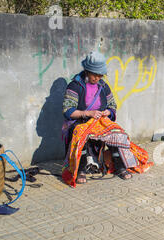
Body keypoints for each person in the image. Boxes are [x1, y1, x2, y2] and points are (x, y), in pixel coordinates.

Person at [61, 51, 152, 186]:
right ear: (87, 71)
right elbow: (68, 111)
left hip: (100, 122)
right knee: (82, 134)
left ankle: (119, 166)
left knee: (117, 133)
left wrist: (107, 113)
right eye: (94, 75)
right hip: (81, 122)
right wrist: (88, 113)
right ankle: (80, 169)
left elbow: (112, 105)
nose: (97, 78)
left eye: (100, 75)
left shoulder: (103, 86)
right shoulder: (75, 86)